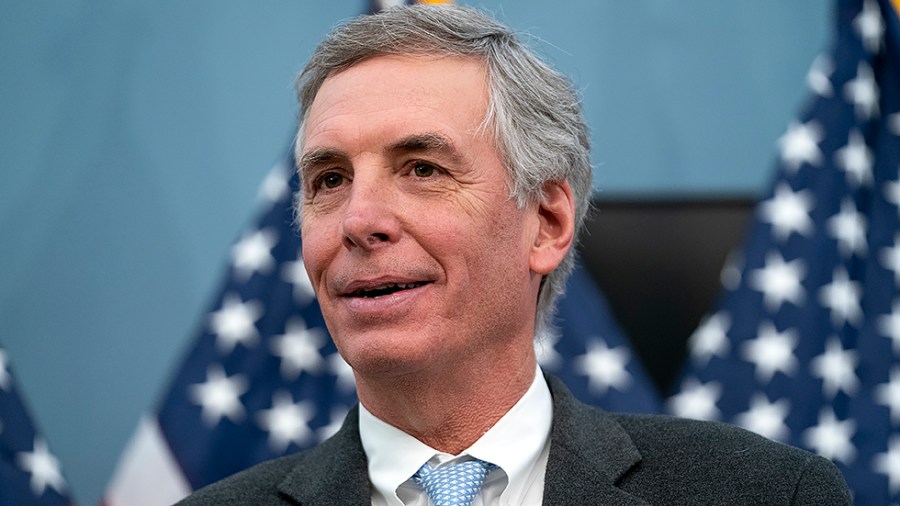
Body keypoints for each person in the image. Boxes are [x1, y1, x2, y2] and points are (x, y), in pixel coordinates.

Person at [180, 5, 851, 505]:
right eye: (329, 180)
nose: (359, 220)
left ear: (547, 223)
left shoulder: (766, 494)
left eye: (421, 169)